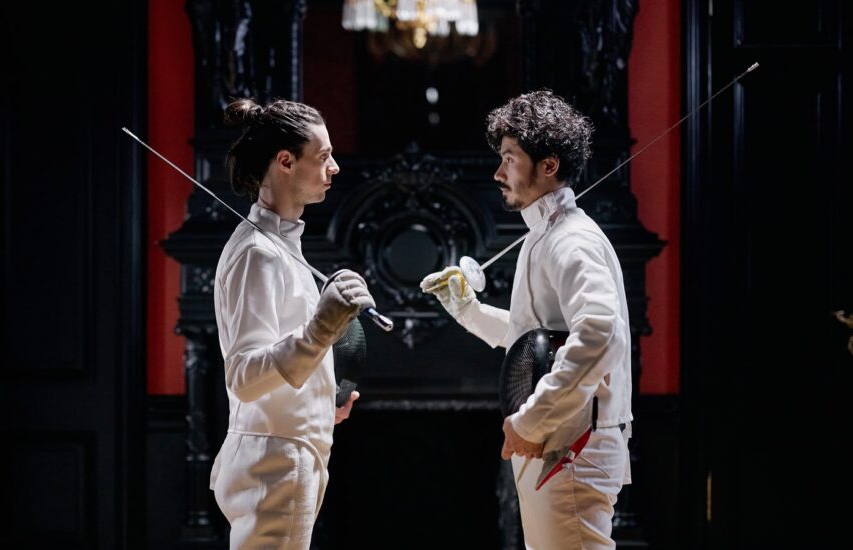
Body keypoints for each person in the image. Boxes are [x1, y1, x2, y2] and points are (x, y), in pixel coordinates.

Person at [421, 91, 632, 549]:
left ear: (548, 165)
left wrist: (531, 421)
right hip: (560, 441)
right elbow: (532, 337)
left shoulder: (571, 241)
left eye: (510, 159)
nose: (499, 173)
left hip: (570, 444)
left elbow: (600, 335)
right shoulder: (547, 236)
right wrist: (467, 311)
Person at [209, 98, 375, 550]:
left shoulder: (281, 245)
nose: (335, 167)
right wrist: (323, 326)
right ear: (285, 161)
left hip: (288, 453)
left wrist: (322, 404)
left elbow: (284, 355)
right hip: (274, 464)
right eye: (322, 157)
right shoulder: (258, 254)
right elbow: (243, 376)